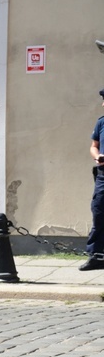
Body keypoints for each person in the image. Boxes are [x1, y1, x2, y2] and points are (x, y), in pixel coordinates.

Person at [80, 88, 104, 271]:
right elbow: (93, 146)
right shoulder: (101, 123)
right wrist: (97, 156)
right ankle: (95, 256)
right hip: (103, 176)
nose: (103, 105)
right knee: (98, 213)